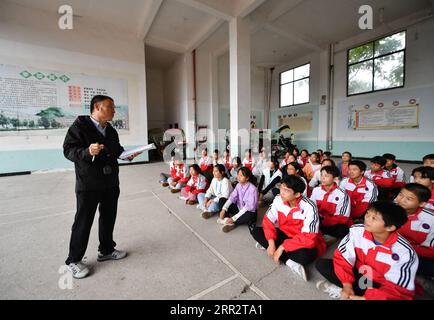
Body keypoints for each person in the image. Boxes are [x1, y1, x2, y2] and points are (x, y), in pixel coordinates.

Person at [63, 95, 141, 279]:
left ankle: (106, 250)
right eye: (110, 107)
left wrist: (126, 155)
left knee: (108, 217)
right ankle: (73, 260)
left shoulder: (111, 130)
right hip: (88, 183)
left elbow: (117, 150)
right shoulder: (80, 127)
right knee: (83, 221)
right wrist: (87, 151)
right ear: (97, 107)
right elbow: (68, 150)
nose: (114, 110)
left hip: (110, 182)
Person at [315, 201, 418, 300]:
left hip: (379, 284)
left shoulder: (405, 252)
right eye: (368, 214)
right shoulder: (357, 230)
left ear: (390, 227)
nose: (367, 219)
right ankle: (348, 291)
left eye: (374, 218)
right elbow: (342, 256)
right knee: (323, 264)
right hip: (360, 274)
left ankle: (352, 293)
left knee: (393, 295)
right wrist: (347, 284)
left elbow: (398, 288)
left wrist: (369, 298)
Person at [250, 175, 326, 282]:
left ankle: (277, 249)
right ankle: (289, 262)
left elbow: (309, 239)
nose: (282, 192)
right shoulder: (278, 200)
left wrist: (282, 247)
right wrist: (271, 243)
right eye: (281, 187)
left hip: (301, 241)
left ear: (297, 194)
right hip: (285, 234)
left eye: (286, 190)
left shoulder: (309, 207)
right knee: (256, 231)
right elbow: (268, 220)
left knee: (305, 256)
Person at [395, 183, 434, 278]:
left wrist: (402, 248)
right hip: (391, 250)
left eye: (409, 199)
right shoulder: (389, 210)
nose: (402, 200)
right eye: (400, 195)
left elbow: (431, 251)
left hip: (418, 256)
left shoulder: (430, 219)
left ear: (422, 203)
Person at [310, 166, 351, 240]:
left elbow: (342, 217)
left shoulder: (342, 194)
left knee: (342, 229)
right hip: (319, 220)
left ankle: (326, 237)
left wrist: (323, 221)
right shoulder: (316, 190)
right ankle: (323, 236)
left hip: (332, 223)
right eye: (321, 175)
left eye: (326, 176)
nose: (322, 178)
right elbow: (311, 208)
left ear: (335, 179)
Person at [219, 167, 258, 233]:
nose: (238, 177)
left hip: (248, 211)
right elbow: (232, 197)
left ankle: (232, 222)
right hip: (239, 208)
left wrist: (234, 218)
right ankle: (227, 219)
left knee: (249, 216)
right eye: (238, 175)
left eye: (241, 175)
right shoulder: (238, 185)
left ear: (247, 178)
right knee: (222, 200)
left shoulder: (253, 189)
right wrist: (224, 209)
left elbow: (247, 207)